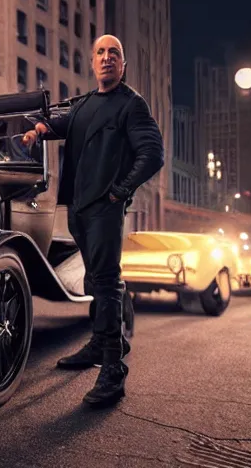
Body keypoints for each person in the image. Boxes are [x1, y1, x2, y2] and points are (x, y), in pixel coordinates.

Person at [22, 34, 164, 407]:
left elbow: (152, 154)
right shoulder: (85, 105)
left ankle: (113, 370)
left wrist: (120, 191)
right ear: (92, 61)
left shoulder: (131, 105)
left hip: (104, 206)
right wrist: (38, 129)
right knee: (94, 278)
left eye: (113, 52)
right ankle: (100, 345)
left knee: (104, 281)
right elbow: (61, 125)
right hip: (78, 209)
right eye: (100, 52)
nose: (106, 58)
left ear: (123, 64)